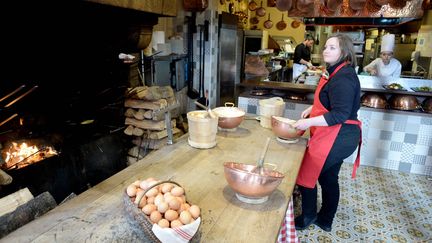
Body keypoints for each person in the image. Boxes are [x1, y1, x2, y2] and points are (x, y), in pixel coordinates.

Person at [292, 33, 362, 232]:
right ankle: (325, 219)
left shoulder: (344, 78)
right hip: (336, 133)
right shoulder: (335, 71)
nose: (325, 50)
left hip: (339, 136)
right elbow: (329, 104)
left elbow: (339, 114)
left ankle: (308, 217)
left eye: (332, 47)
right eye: (325, 47)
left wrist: (306, 123)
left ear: (344, 52)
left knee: (307, 174)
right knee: (328, 178)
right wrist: (311, 110)